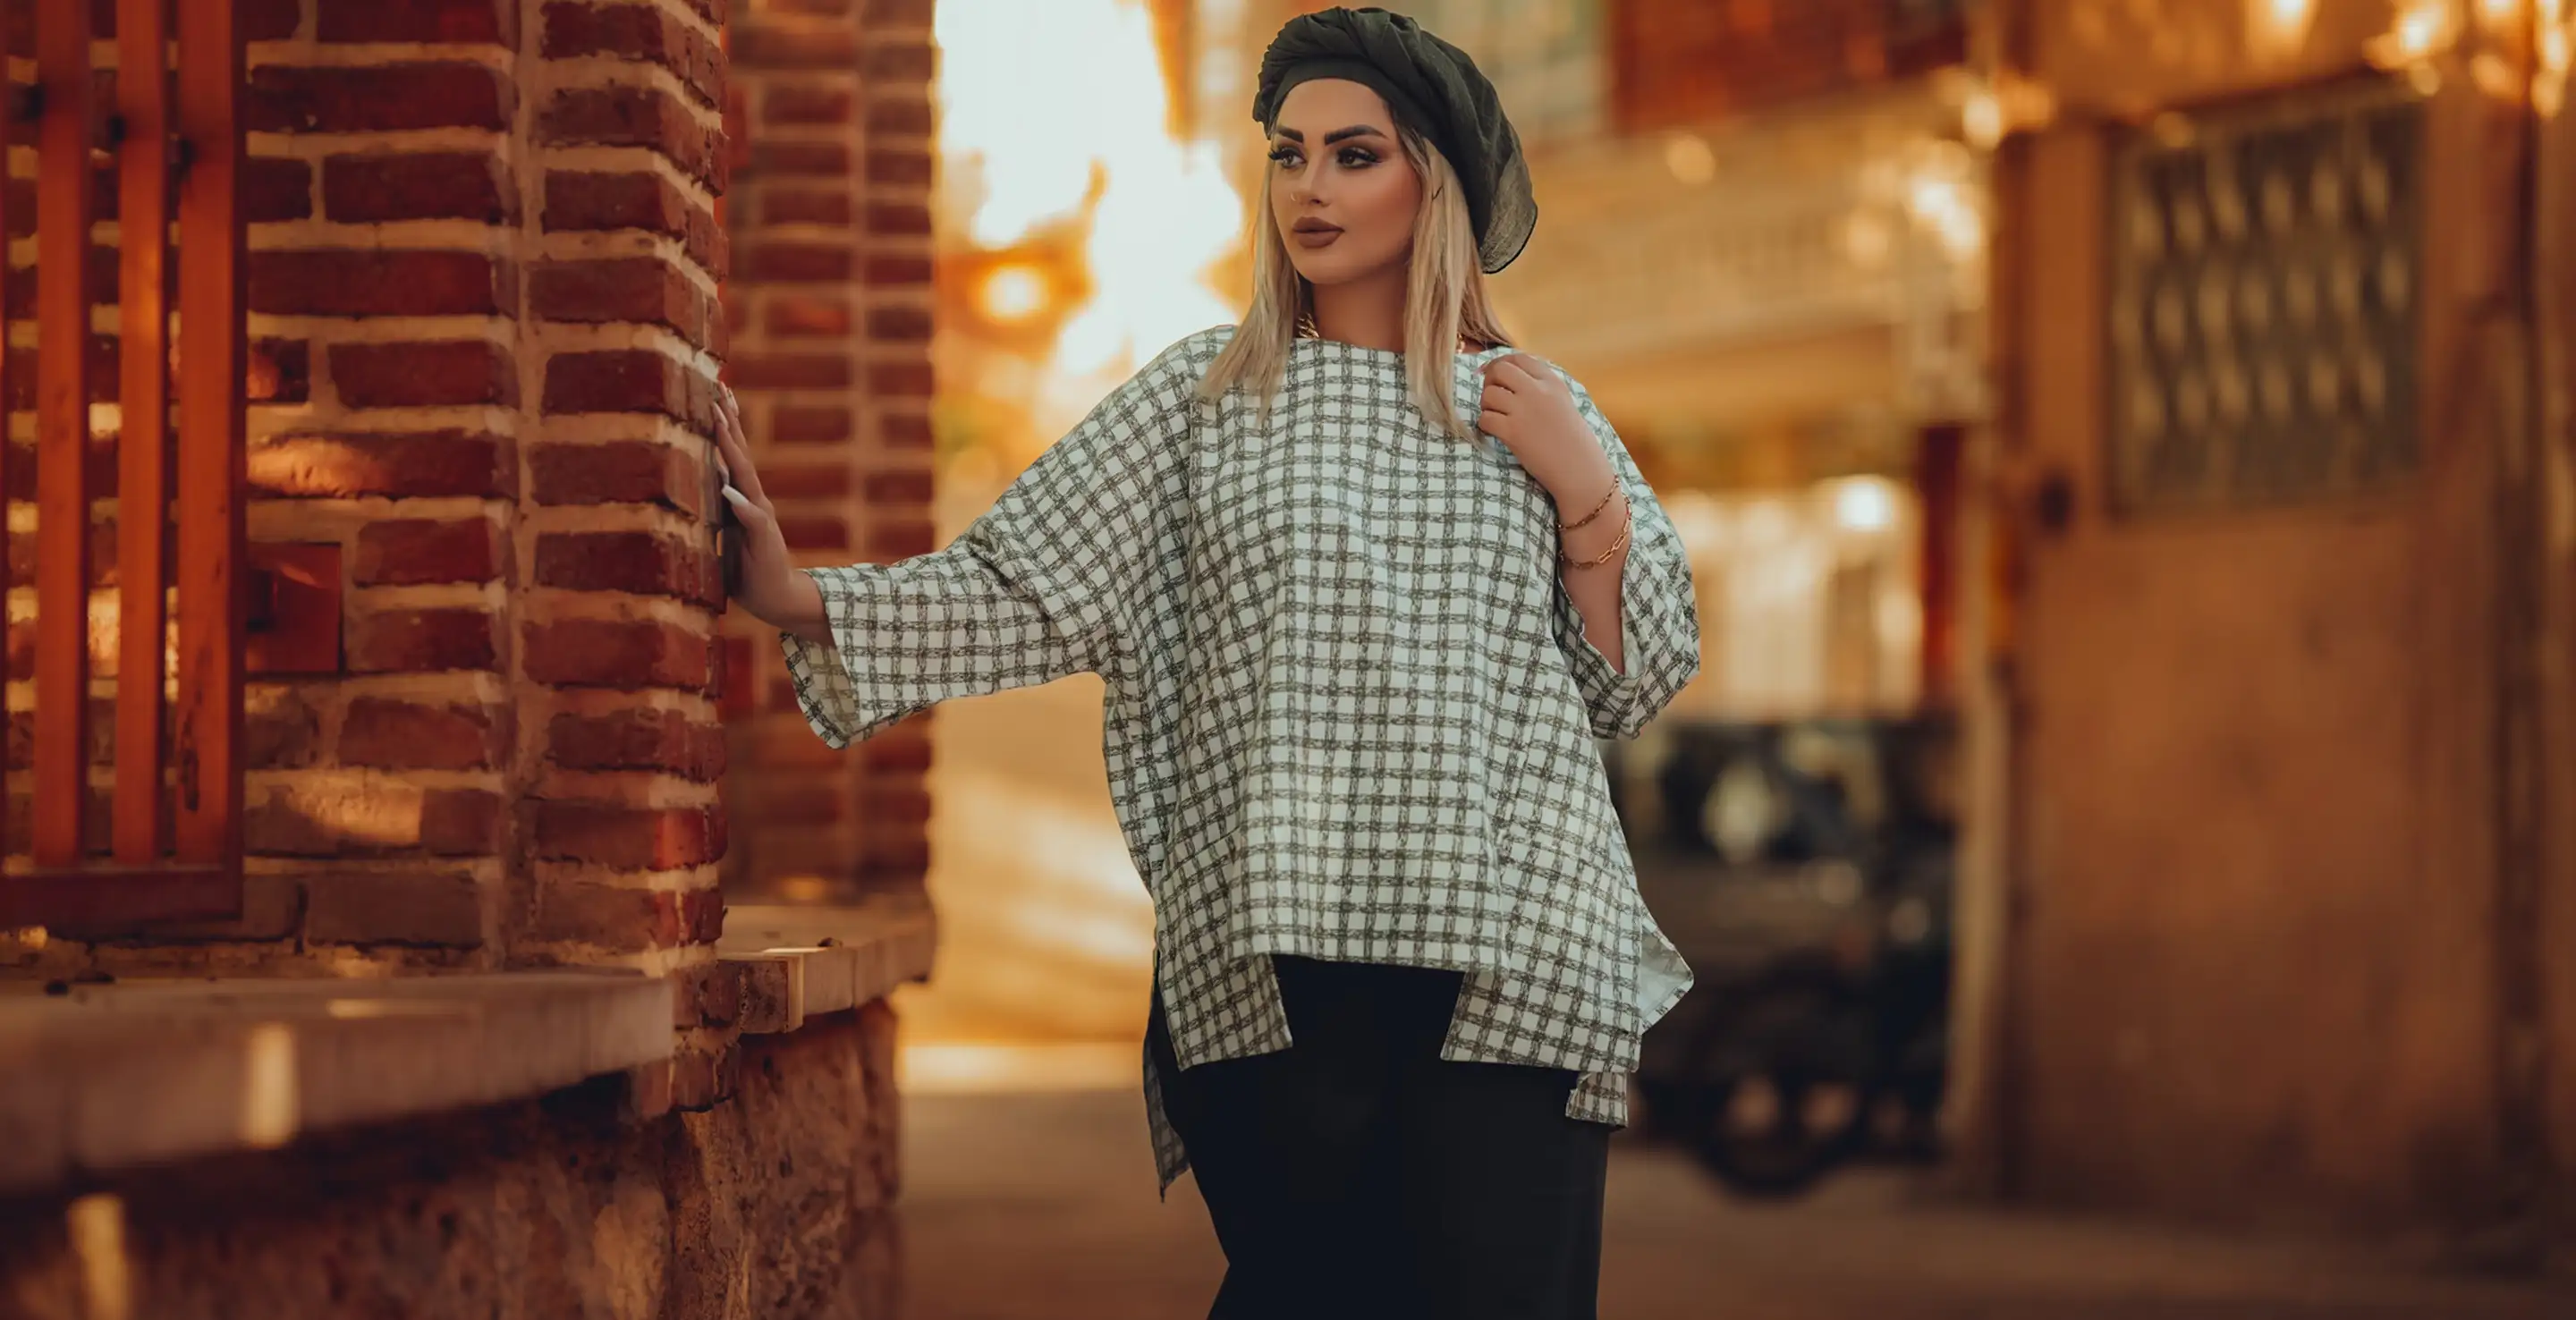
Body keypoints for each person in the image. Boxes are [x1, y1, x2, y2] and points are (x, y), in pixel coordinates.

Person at [716, 8, 1699, 1316]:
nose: (1311, 187)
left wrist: (1588, 501)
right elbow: (1026, 587)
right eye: (1289, 154)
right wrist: (797, 596)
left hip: (1515, 959)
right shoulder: (1206, 401)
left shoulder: (1534, 408)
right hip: (1280, 952)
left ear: (1435, 180)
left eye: (1355, 155)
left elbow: (1633, 681)